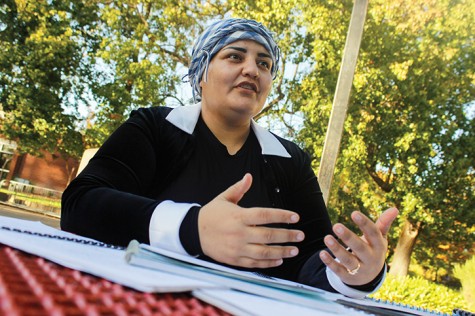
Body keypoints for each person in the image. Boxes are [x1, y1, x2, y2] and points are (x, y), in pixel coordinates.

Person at [61, 18, 398, 298]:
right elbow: (80, 205)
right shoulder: (153, 127)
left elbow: (310, 261)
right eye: (235, 57)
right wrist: (193, 228)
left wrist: (355, 273)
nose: (252, 69)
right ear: (202, 73)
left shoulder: (291, 161)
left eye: (264, 64)